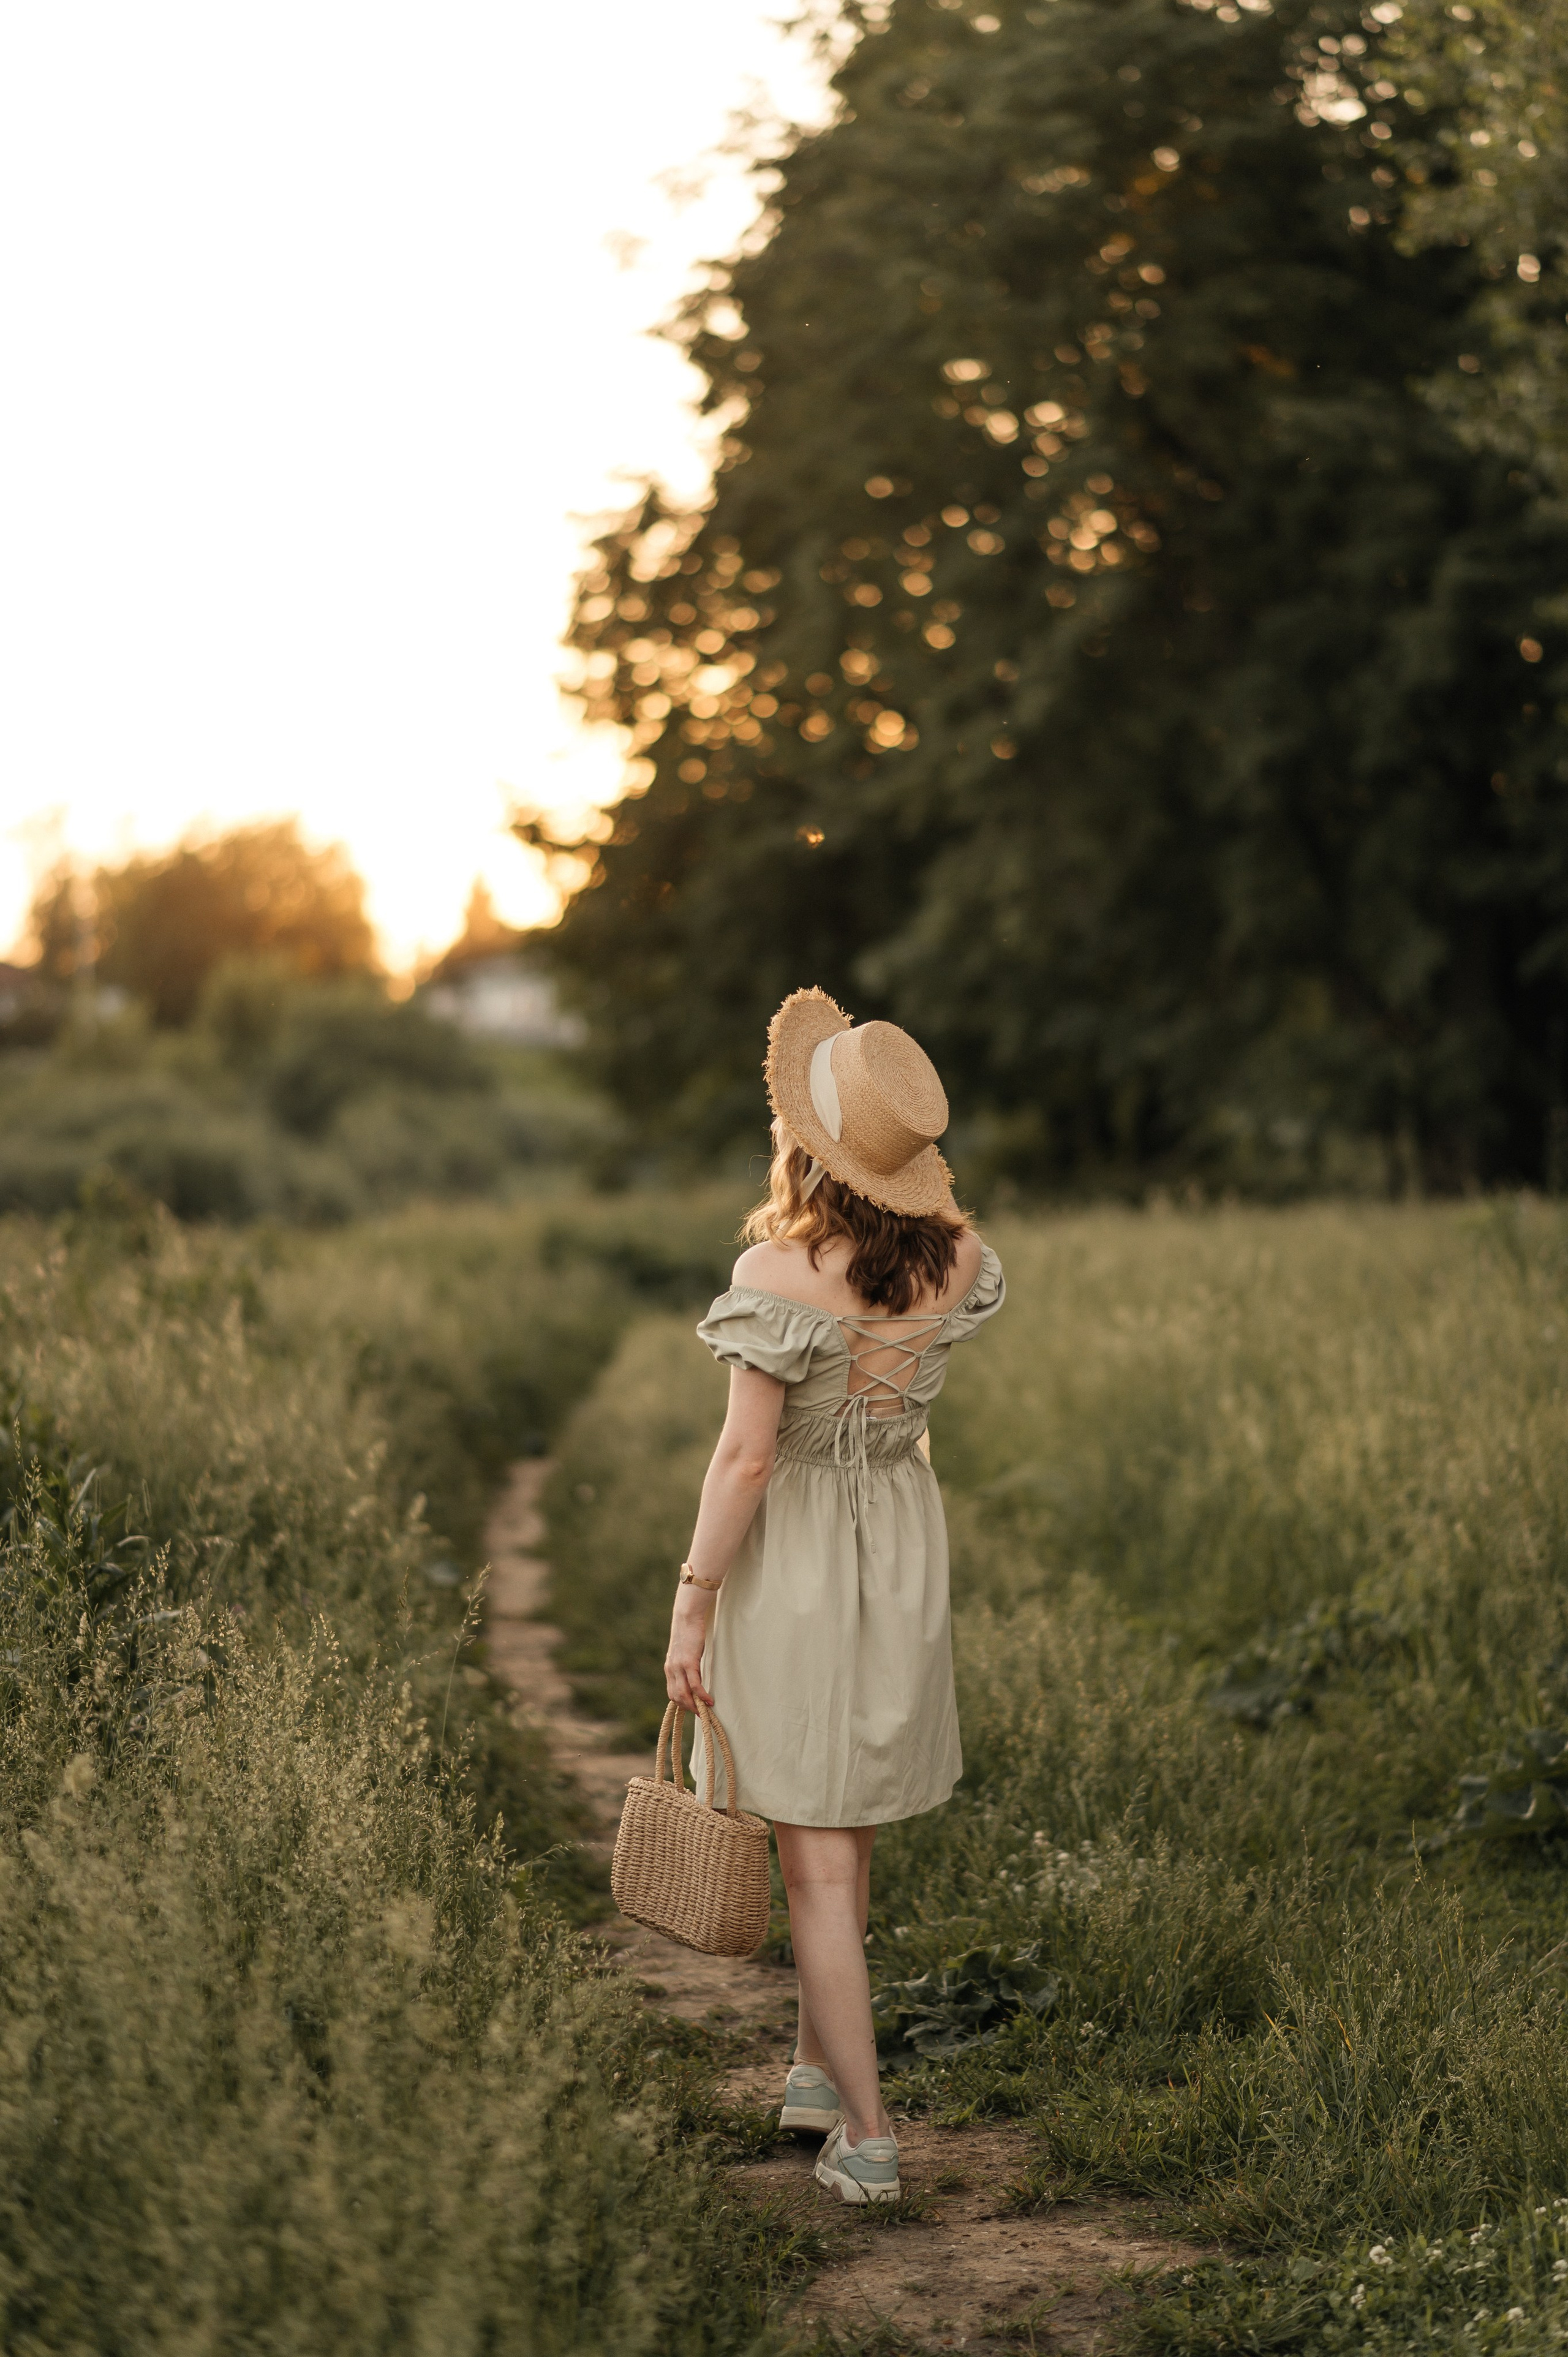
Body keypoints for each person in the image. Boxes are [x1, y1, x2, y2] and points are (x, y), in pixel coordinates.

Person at [663, 987, 1005, 2207]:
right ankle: (813, 2068)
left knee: (809, 1857)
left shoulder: (779, 1271)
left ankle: (866, 2134)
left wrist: (692, 1600)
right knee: (842, 1833)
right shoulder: (957, 1258)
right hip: (900, 1546)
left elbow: (747, 1458)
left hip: (803, 1558)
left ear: (807, 1144)